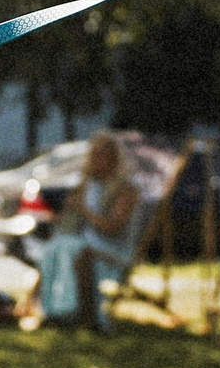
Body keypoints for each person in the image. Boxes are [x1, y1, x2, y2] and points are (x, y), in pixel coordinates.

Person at [33, 131, 141, 332]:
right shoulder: (86, 185)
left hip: (114, 249)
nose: (96, 160)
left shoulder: (127, 190)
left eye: (102, 154)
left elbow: (112, 227)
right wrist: (66, 213)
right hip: (84, 243)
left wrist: (84, 209)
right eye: (94, 154)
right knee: (54, 248)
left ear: (114, 159)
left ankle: (84, 318)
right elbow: (69, 224)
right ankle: (53, 311)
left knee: (76, 251)